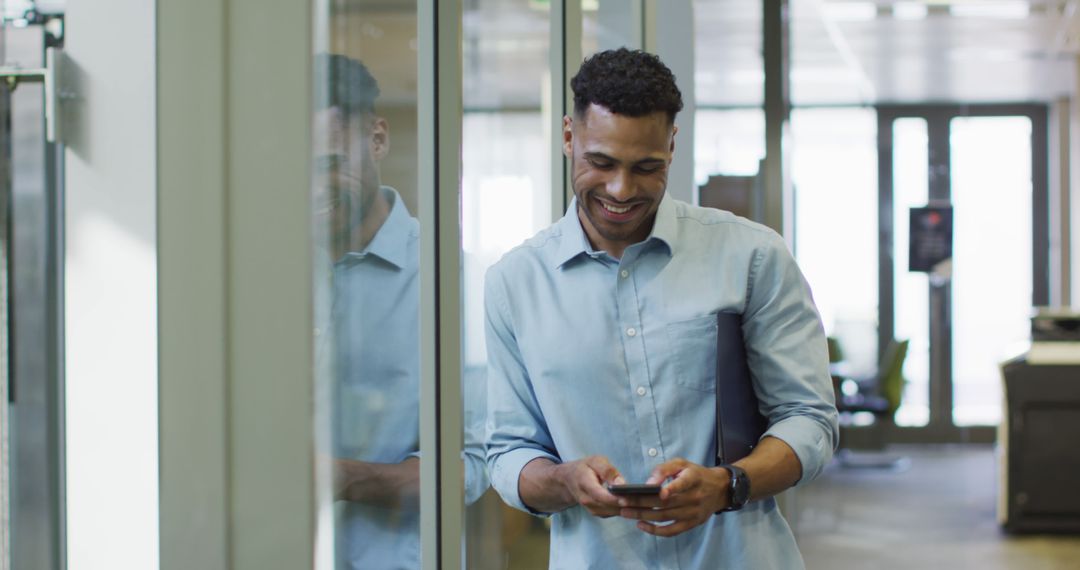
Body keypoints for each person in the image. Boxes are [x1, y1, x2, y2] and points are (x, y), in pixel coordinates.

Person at [484, 48, 839, 568]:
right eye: (600, 163)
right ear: (568, 137)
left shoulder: (751, 256)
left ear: (672, 146)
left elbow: (808, 419)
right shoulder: (515, 283)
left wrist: (727, 485)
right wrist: (563, 479)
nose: (620, 190)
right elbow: (508, 453)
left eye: (645, 168)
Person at [312, 53, 487, 570]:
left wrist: (340, 479)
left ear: (377, 139)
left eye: (329, 165)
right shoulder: (260, 272)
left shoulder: (449, 280)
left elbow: (476, 465)